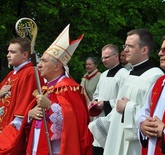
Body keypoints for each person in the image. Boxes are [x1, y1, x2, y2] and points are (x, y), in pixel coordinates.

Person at [88, 28, 164, 155]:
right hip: (117, 135)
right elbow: (117, 108)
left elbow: (154, 115)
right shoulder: (128, 74)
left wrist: (128, 107)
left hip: (134, 143)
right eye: (125, 46)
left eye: (130, 46)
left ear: (144, 50)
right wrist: (99, 124)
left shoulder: (155, 76)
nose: (125, 50)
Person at [26, 24, 93, 155]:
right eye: (40, 61)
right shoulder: (45, 88)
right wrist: (30, 115)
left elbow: (76, 123)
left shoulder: (71, 88)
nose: (39, 65)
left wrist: (50, 106)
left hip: (57, 148)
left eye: (44, 61)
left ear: (57, 66)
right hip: (36, 141)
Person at [0, 37, 45, 154]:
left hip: (13, 130)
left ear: (25, 54)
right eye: (8, 51)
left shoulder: (30, 72)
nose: (8, 55)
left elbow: (25, 104)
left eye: (13, 52)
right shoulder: (12, 73)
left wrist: (11, 131)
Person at [88, 44, 128, 155]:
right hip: (100, 116)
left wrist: (105, 104)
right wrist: (95, 101)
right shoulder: (103, 75)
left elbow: (124, 98)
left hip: (113, 118)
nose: (104, 60)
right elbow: (97, 93)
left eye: (107, 57)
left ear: (116, 56)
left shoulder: (124, 74)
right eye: (102, 58)